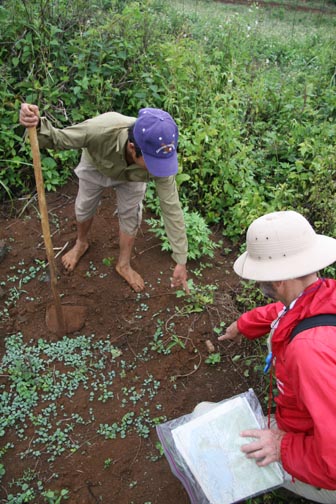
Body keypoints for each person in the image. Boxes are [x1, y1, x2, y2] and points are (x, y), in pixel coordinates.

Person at [217, 210, 336, 503]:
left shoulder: (309, 352)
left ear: (279, 282)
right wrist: (244, 324)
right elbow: (289, 312)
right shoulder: (322, 295)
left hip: (328, 467)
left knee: (214, 427)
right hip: (317, 425)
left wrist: (281, 445)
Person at [20, 104, 188, 293]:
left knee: (131, 215)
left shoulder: (160, 160)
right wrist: (35, 123)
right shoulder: (100, 129)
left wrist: (181, 260)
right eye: (153, 163)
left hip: (133, 177)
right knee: (84, 207)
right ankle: (81, 242)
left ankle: (123, 264)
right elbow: (57, 138)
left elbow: (171, 208)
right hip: (97, 165)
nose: (160, 169)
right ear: (133, 148)